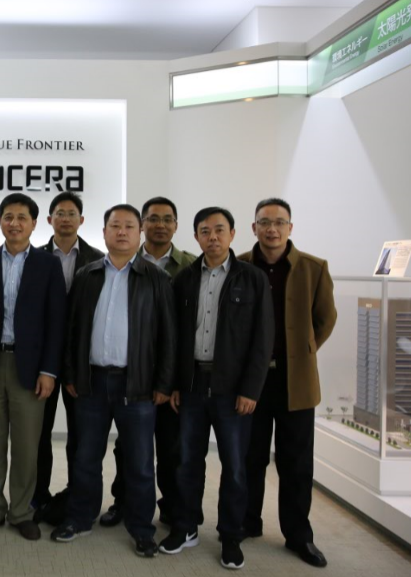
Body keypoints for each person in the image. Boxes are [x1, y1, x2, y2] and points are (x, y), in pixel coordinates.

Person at [51, 204, 176, 559]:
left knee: (139, 462)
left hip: (137, 385)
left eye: (129, 226)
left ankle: (141, 529)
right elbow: (72, 330)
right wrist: (71, 374)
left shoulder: (156, 278)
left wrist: (163, 383)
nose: (121, 232)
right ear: (104, 232)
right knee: (85, 457)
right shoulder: (87, 275)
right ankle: (80, 518)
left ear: (139, 233)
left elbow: (169, 336)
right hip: (91, 382)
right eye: (115, 225)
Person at [159, 207, 273, 570]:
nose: (213, 237)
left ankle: (231, 536)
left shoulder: (252, 279)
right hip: (192, 386)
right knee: (186, 462)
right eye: (205, 231)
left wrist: (251, 390)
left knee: (235, 467)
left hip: (233, 390)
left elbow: (263, 339)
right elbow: (175, 337)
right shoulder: (185, 278)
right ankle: (186, 526)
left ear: (233, 234)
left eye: (219, 230)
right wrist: (176, 384)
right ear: (195, 236)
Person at [0, 193, 66, 541]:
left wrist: (49, 370)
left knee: (26, 447)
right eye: (8, 217)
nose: (15, 223)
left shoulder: (48, 265)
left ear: (34, 224)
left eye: (22, 217)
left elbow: (56, 322)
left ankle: (21, 512)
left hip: (30, 369)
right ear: (0, 222)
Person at [240, 198, 337, 568]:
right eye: (265, 222)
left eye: (279, 222)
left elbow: (325, 319)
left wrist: (303, 351)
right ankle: (248, 522)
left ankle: (298, 535)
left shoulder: (313, 268)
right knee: (250, 457)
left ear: (290, 228)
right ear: (254, 228)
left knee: (296, 463)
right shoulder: (241, 265)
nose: (272, 229)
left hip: (295, 381)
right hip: (252, 380)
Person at [100, 196, 196, 528]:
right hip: (131, 375)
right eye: (153, 219)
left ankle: (170, 506)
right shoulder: (121, 261)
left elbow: (179, 331)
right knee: (127, 447)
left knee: (170, 447)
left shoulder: (189, 266)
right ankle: (123, 502)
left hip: (168, 375)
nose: (160, 225)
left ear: (176, 226)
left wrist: (172, 381)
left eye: (167, 219)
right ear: (143, 225)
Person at [35, 191, 103, 519]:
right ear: (49, 220)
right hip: (41, 361)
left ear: (82, 220)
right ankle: (37, 496)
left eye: (71, 213)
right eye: (59, 213)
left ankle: (78, 498)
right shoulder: (33, 257)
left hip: (81, 361)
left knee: (81, 436)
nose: (65, 218)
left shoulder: (98, 260)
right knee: (38, 433)